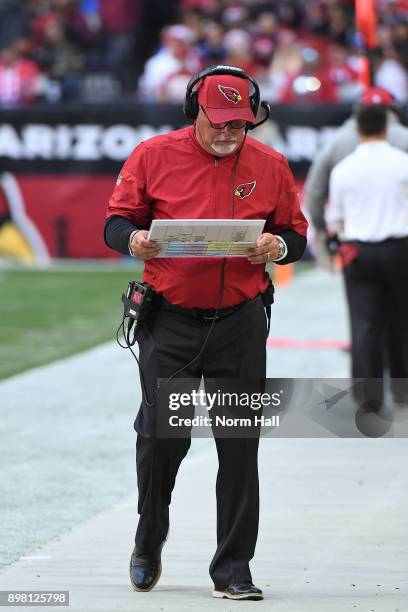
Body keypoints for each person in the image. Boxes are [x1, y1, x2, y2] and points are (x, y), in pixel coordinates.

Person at [104, 65, 308, 601]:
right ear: (194, 110)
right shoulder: (152, 155)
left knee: (240, 447)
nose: (226, 134)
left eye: (238, 125)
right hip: (169, 321)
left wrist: (278, 247)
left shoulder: (272, 165)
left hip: (239, 321)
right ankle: (148, 542)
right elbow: (115, 220)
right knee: (162, 440)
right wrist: (135, 239)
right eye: (217, 123)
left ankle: (233, 568)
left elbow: (296, 231)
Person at [327, 103, 408, 409]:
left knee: (364, 325)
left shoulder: (343, 169)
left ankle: (369, 399)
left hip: (359, 251)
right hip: (401, 249)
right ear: (386, 127)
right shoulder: (403, 162)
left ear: (358, 129)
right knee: (403, 321)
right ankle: (403, 390)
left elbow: (338, 218)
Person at [304, 86, 408, 269]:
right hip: (401, 243)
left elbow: (314, 192)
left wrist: (323, 234)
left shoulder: (337, 142)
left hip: (356, 246)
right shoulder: (404, 139)